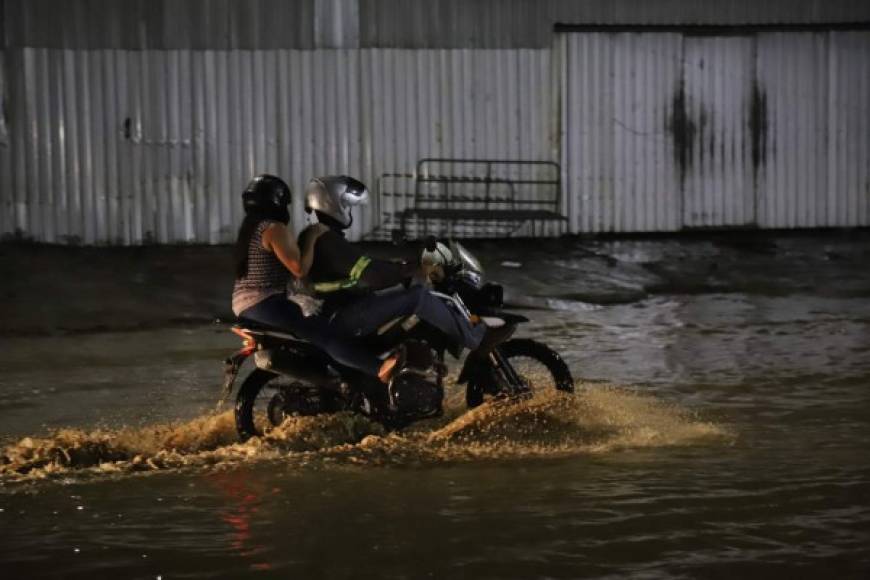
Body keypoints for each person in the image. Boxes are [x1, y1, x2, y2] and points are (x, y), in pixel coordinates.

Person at [231, 174, 398, 383]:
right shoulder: (274, 229)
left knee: (313, 331)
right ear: (279, 202)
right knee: (326, 334)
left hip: (244, 305)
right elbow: (299, 268)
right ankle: (379, 368)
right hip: (265, 303)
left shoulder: (249, 231)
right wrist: (312, 236)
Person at [298, 175, 487, 354]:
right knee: (419, 296)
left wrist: (401, 269)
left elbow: (361, 268)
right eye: (347, 206)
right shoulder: (327, 240)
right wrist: (418, 268)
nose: (349, 210)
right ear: (332, 204)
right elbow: (374, 275)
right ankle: (472, 337)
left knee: (403, 297)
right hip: (341, 315)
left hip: (338, 308)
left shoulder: (321, 235)